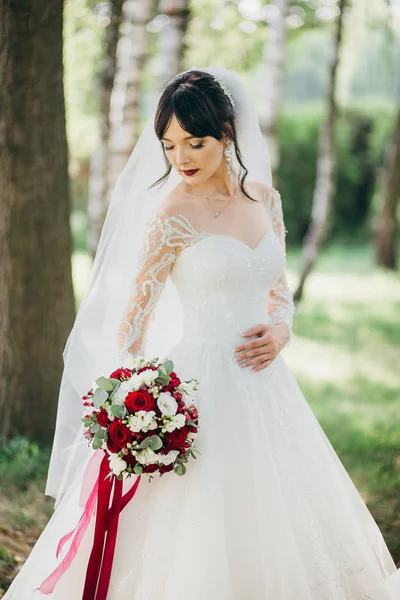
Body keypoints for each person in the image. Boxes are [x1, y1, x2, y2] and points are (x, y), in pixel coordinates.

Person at [4, 67, 399, 599]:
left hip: (266, 386)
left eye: (195, 142)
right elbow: (132, 324)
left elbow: (278, 292)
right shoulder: (171, 214)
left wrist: (282, 332)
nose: (181, 158)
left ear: (228, 133)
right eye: (169, 145)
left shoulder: (265, 199)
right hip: (195, 391)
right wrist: (142, 400)